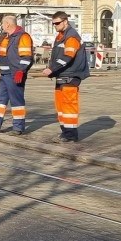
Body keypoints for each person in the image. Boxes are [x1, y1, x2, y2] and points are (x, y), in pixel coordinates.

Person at [42, 11, 89, 143]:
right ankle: (65, 132)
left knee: (68, 106)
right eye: (53, 24)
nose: (55, 26)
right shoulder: (60, 36)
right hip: (62, 75)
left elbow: (68, 56)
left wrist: (52, 68)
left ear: (65, 21)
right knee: (61, 106)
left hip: (70, 75)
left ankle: (71, 134)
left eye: (57, 23)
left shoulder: (71, 37)